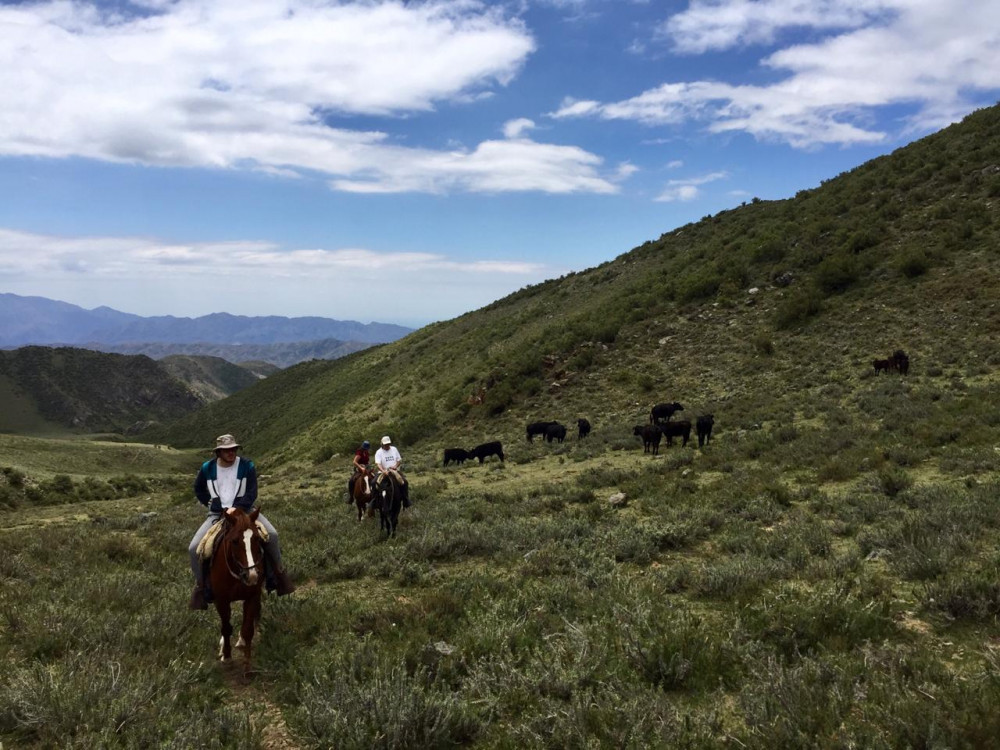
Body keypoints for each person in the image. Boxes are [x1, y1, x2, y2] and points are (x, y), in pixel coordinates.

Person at [188, 434, 295, 610]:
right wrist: (210, 503)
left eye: (233, 449)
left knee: (272, 536)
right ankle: (201, 588)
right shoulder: (207, 468)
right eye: (226, 450)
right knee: (194, 549)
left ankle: (278, 576)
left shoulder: (247, 465)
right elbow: (198, 488)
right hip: (218, 514)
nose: (231, 452)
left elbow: (252, 492)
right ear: (219, 452)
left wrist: (237, 508)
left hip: (245, 511)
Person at [374, 435, 410, 507]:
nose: (387, 445)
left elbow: (399, 460)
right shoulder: (379, 452)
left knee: (405, 482)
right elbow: (378, 463)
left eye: (388, 444)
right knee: (373, 483)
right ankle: (374, 501)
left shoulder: (394, 449)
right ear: (382, 444)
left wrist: (395, 466)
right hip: (383, 472)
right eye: (385, 444)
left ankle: (406, 500)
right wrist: (383, 471)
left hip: (394, 471)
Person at [347, 440, 371, 504]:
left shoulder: (366, 452)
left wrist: (368, 466)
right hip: (359, 469)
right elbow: (354, 462)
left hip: (366, 468)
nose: (366, 449)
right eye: (365, 448)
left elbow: (367, 461)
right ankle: (351, 497)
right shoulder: (359, 452)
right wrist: (361, 467)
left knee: (373, 477)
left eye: (367, 449)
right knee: (351, 481)